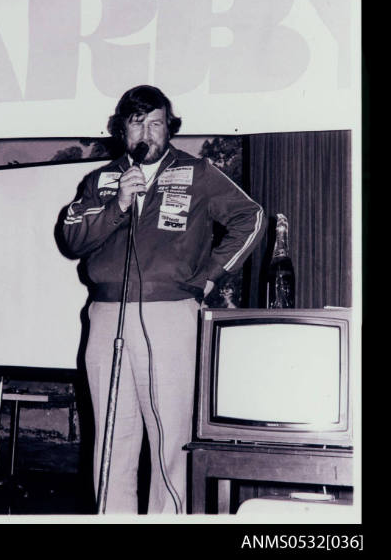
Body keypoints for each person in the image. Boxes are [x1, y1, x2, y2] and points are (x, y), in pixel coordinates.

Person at [59, 85, 266, 514]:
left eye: (157, 123)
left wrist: (210, 277)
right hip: (106, 314)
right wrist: (118, 204)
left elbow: (251, 217)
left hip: (170, 315)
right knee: (112, 432)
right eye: (138, 123)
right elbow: (72, 238)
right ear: (122, 130)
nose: (147, 132)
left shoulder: (199, 172)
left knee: (170, 433)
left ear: (170, 129)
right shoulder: (100, 180)